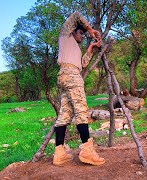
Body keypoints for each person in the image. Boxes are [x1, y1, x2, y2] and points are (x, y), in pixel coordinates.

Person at [53, 12, 105, 166]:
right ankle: (87, 151)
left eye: (84, 34)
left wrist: (91, 47)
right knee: (81, 110)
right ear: (73, 31)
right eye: (81, 33)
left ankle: (59, 154)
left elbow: (83, 64)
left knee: (65, 114)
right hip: (71, 76)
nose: (83, 36)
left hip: (67, 76)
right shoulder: (65, 36)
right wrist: (91, 30)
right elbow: (76, 15)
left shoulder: (75, 48)